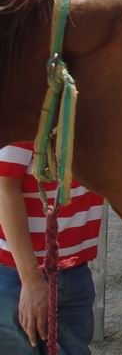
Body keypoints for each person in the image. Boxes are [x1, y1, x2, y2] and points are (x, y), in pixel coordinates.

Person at [0, 141, 105, 354]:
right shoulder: (33, 111)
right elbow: (4, 185)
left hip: (73, 268)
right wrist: (30, 280)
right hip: (20, 273)